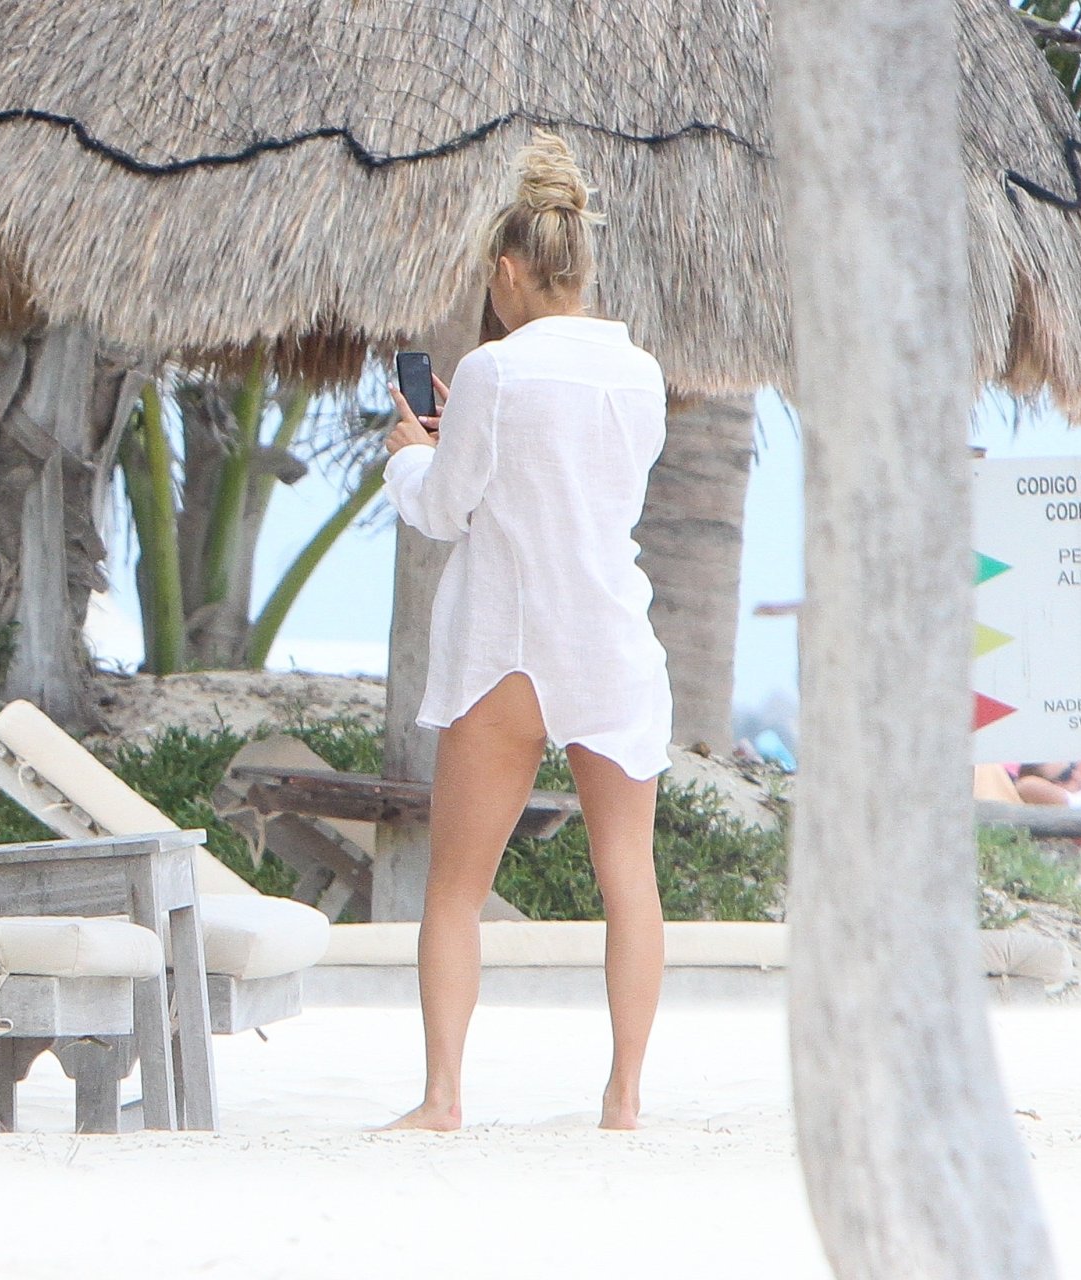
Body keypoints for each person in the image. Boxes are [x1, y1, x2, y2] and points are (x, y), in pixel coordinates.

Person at [380, 131, 672, 1132]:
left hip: (508, 643)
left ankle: (442, 1097)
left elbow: (444, 507)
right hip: (609, 639)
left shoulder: (494, 372)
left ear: (508, 269)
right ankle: (624, 1099)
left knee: (455, 889)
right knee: (628, 878)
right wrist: (472, 432)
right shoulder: (639, 373)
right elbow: (583, 485)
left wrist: (410, 452)